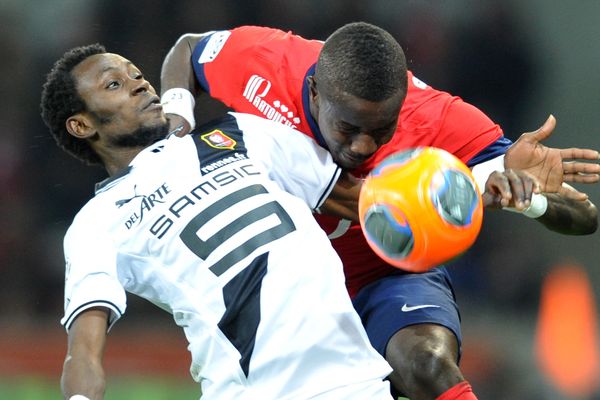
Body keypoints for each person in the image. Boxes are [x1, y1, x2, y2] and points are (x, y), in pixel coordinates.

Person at [160, 23, 599, 400]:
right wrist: (176, 130)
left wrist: (533, 200)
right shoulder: (265, 61)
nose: (363, 146)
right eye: (348, 128)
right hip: (282, 288)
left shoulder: (439, 119)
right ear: (314, 91)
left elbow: (585, 221)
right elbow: (186, 49)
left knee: (428, 365)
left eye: (381, 130)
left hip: (384, 275)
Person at [40, 44, 402, 400]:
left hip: (358, 382)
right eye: (113, 84)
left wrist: (437, 197)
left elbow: (367, 204)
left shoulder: (240, 132)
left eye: (136, 74)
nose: (140, 84)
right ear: (81, 124)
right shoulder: (98, 221)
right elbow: (83, 350)